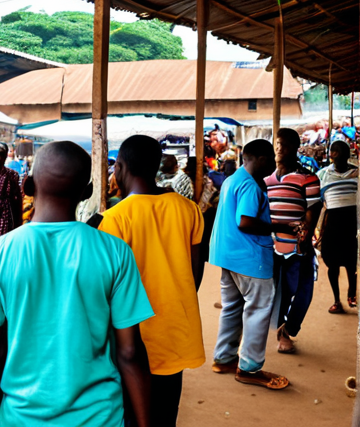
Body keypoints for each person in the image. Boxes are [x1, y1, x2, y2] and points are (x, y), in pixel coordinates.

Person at [0, 141, 153, 427]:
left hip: (21, 418)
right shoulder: (115, 253)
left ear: (27, 186)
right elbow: (130, 352)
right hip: (99, 417)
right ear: (88, 191)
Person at [99, 135, 204, 427]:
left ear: (119, 167)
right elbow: (195, 275)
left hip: (132, 339)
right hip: (175, 333)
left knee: (133, 416)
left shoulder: (115, 218)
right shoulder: (188, 209)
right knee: (166, 414)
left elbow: (108, 290)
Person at [209, 139, 289, 390]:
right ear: (263, 159)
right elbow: (245, 222)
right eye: (271, 161)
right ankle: (249, 368)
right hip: (249, 257)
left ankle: (224, 358)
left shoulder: (233, 179)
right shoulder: (250, 186)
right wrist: (281, 226)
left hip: (227, 255)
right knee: (259, 308)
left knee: (232, 307)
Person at [265, 128, 321, 355]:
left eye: (285, 145)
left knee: (303, 290)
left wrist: (304, 241)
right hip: (271, 246)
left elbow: (312, 212)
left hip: (298, 246)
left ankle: (289, 329)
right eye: (277, 144)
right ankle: (281, 331)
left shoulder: (308, 178)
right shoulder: (266, 179)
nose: (279, 149)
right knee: (280, 291)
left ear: (296, 148)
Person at [316, 141, 358, 313]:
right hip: (332, 224)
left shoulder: (357, 173)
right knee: (332, 264)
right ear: (331, 155)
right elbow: (318, 201)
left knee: (351, 263)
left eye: (343, 156)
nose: (339, 160)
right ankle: (336, 300)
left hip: (352, 224)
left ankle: (351, 294)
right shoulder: (322, 175)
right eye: (336, 155)